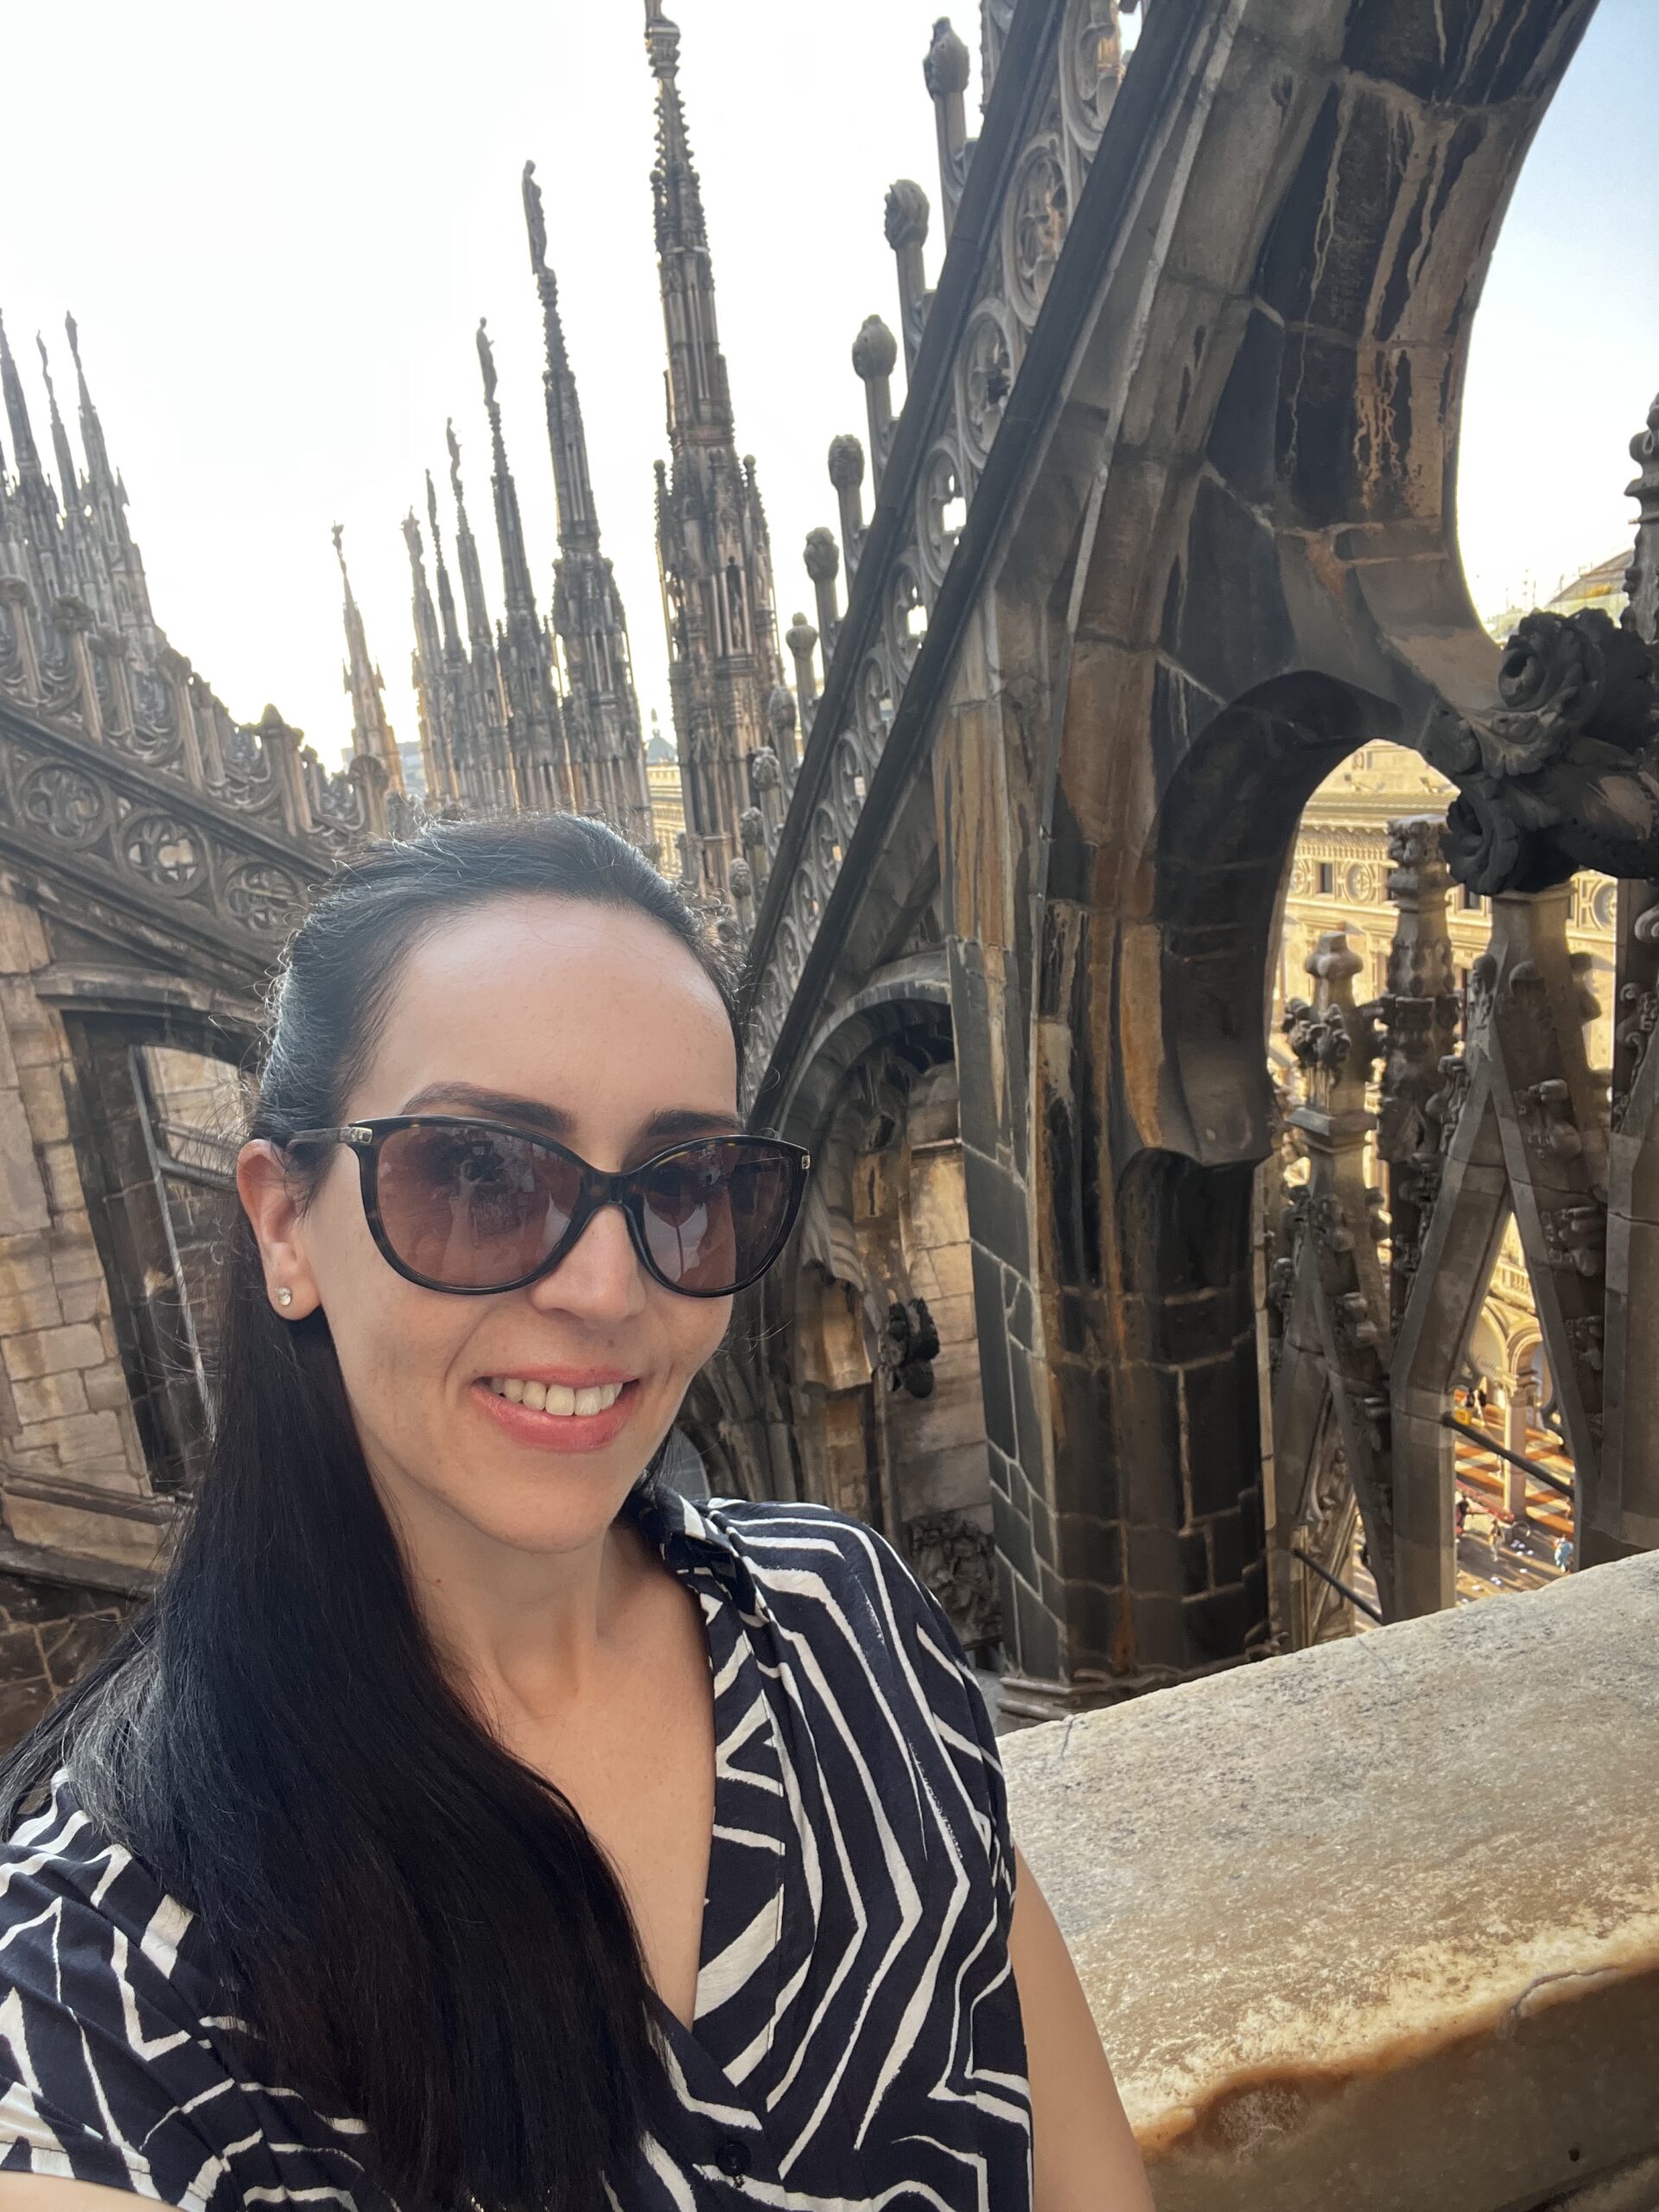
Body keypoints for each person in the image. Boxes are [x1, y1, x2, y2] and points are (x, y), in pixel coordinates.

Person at [0, 817, 1150, 2212]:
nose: (608, 1290)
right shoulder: (103, 1973)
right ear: (285, 1224)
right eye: (481, 1176)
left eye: (688, 1188)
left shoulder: (850, 1629)